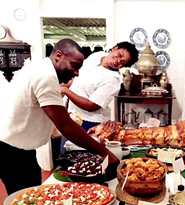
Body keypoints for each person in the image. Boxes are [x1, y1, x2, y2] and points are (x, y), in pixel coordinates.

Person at [0, 38, 119, 195]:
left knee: (30, 192)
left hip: (14, 145)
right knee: (26, 198)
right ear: (58, 55)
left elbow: (48, 114)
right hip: (12, 149)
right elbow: (65, 124)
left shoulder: (40, 67)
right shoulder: (46, 76)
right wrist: (105, 153)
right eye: (74, 66)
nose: (76, 73)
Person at [59, 41, 139, 131]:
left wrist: (66, 91)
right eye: (119, 55)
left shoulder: (113, 80)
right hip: (71, 115)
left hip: (89, 123)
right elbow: (78, 79)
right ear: (115, 48)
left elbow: (91, 105)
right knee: (66, 144)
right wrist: (62, 86)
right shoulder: (97, 56)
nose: (117, 61)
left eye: (122, 62)